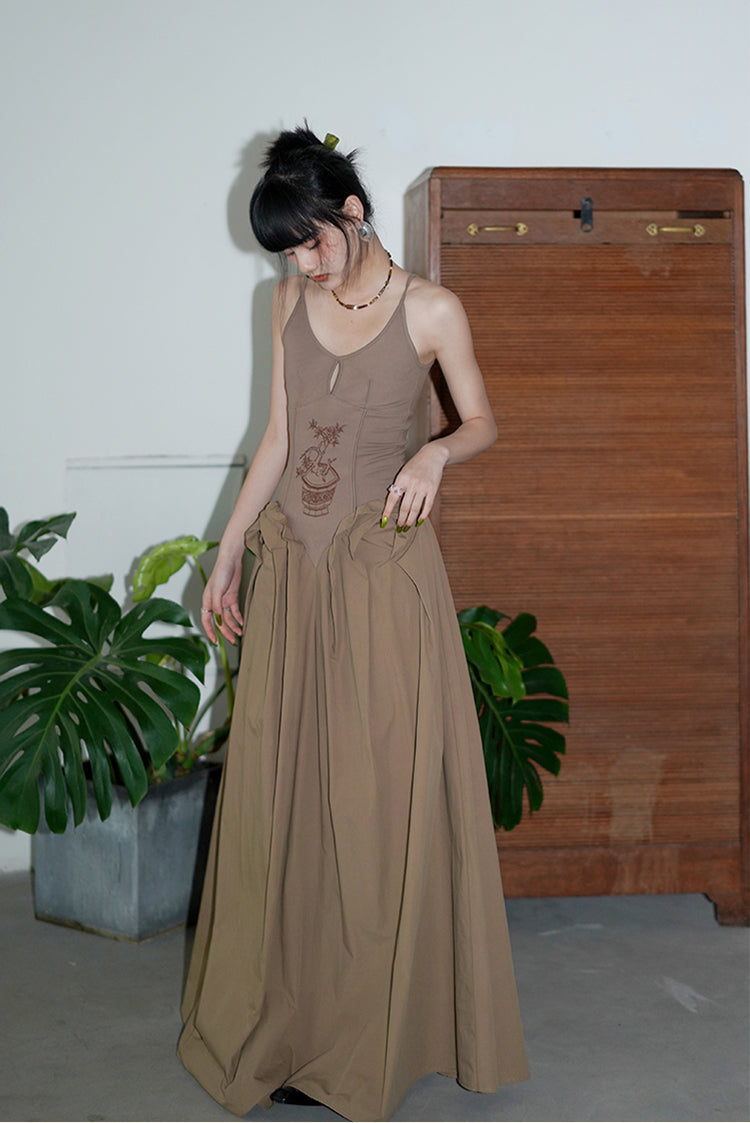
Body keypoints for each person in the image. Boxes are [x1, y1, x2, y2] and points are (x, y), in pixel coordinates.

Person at [177, 125, 529, 1122]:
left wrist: (436, 453)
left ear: (354, 213)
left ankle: (368, 1036)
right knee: (288, 804)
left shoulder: (431, 308)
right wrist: (229, 551)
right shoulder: (286, 301)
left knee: (371, 812)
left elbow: (483, 420)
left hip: (381, 581)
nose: (303, 264)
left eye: (311, 242)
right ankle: (287, 1026)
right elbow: (277, 439)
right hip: (295, 578)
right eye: (287, 251)